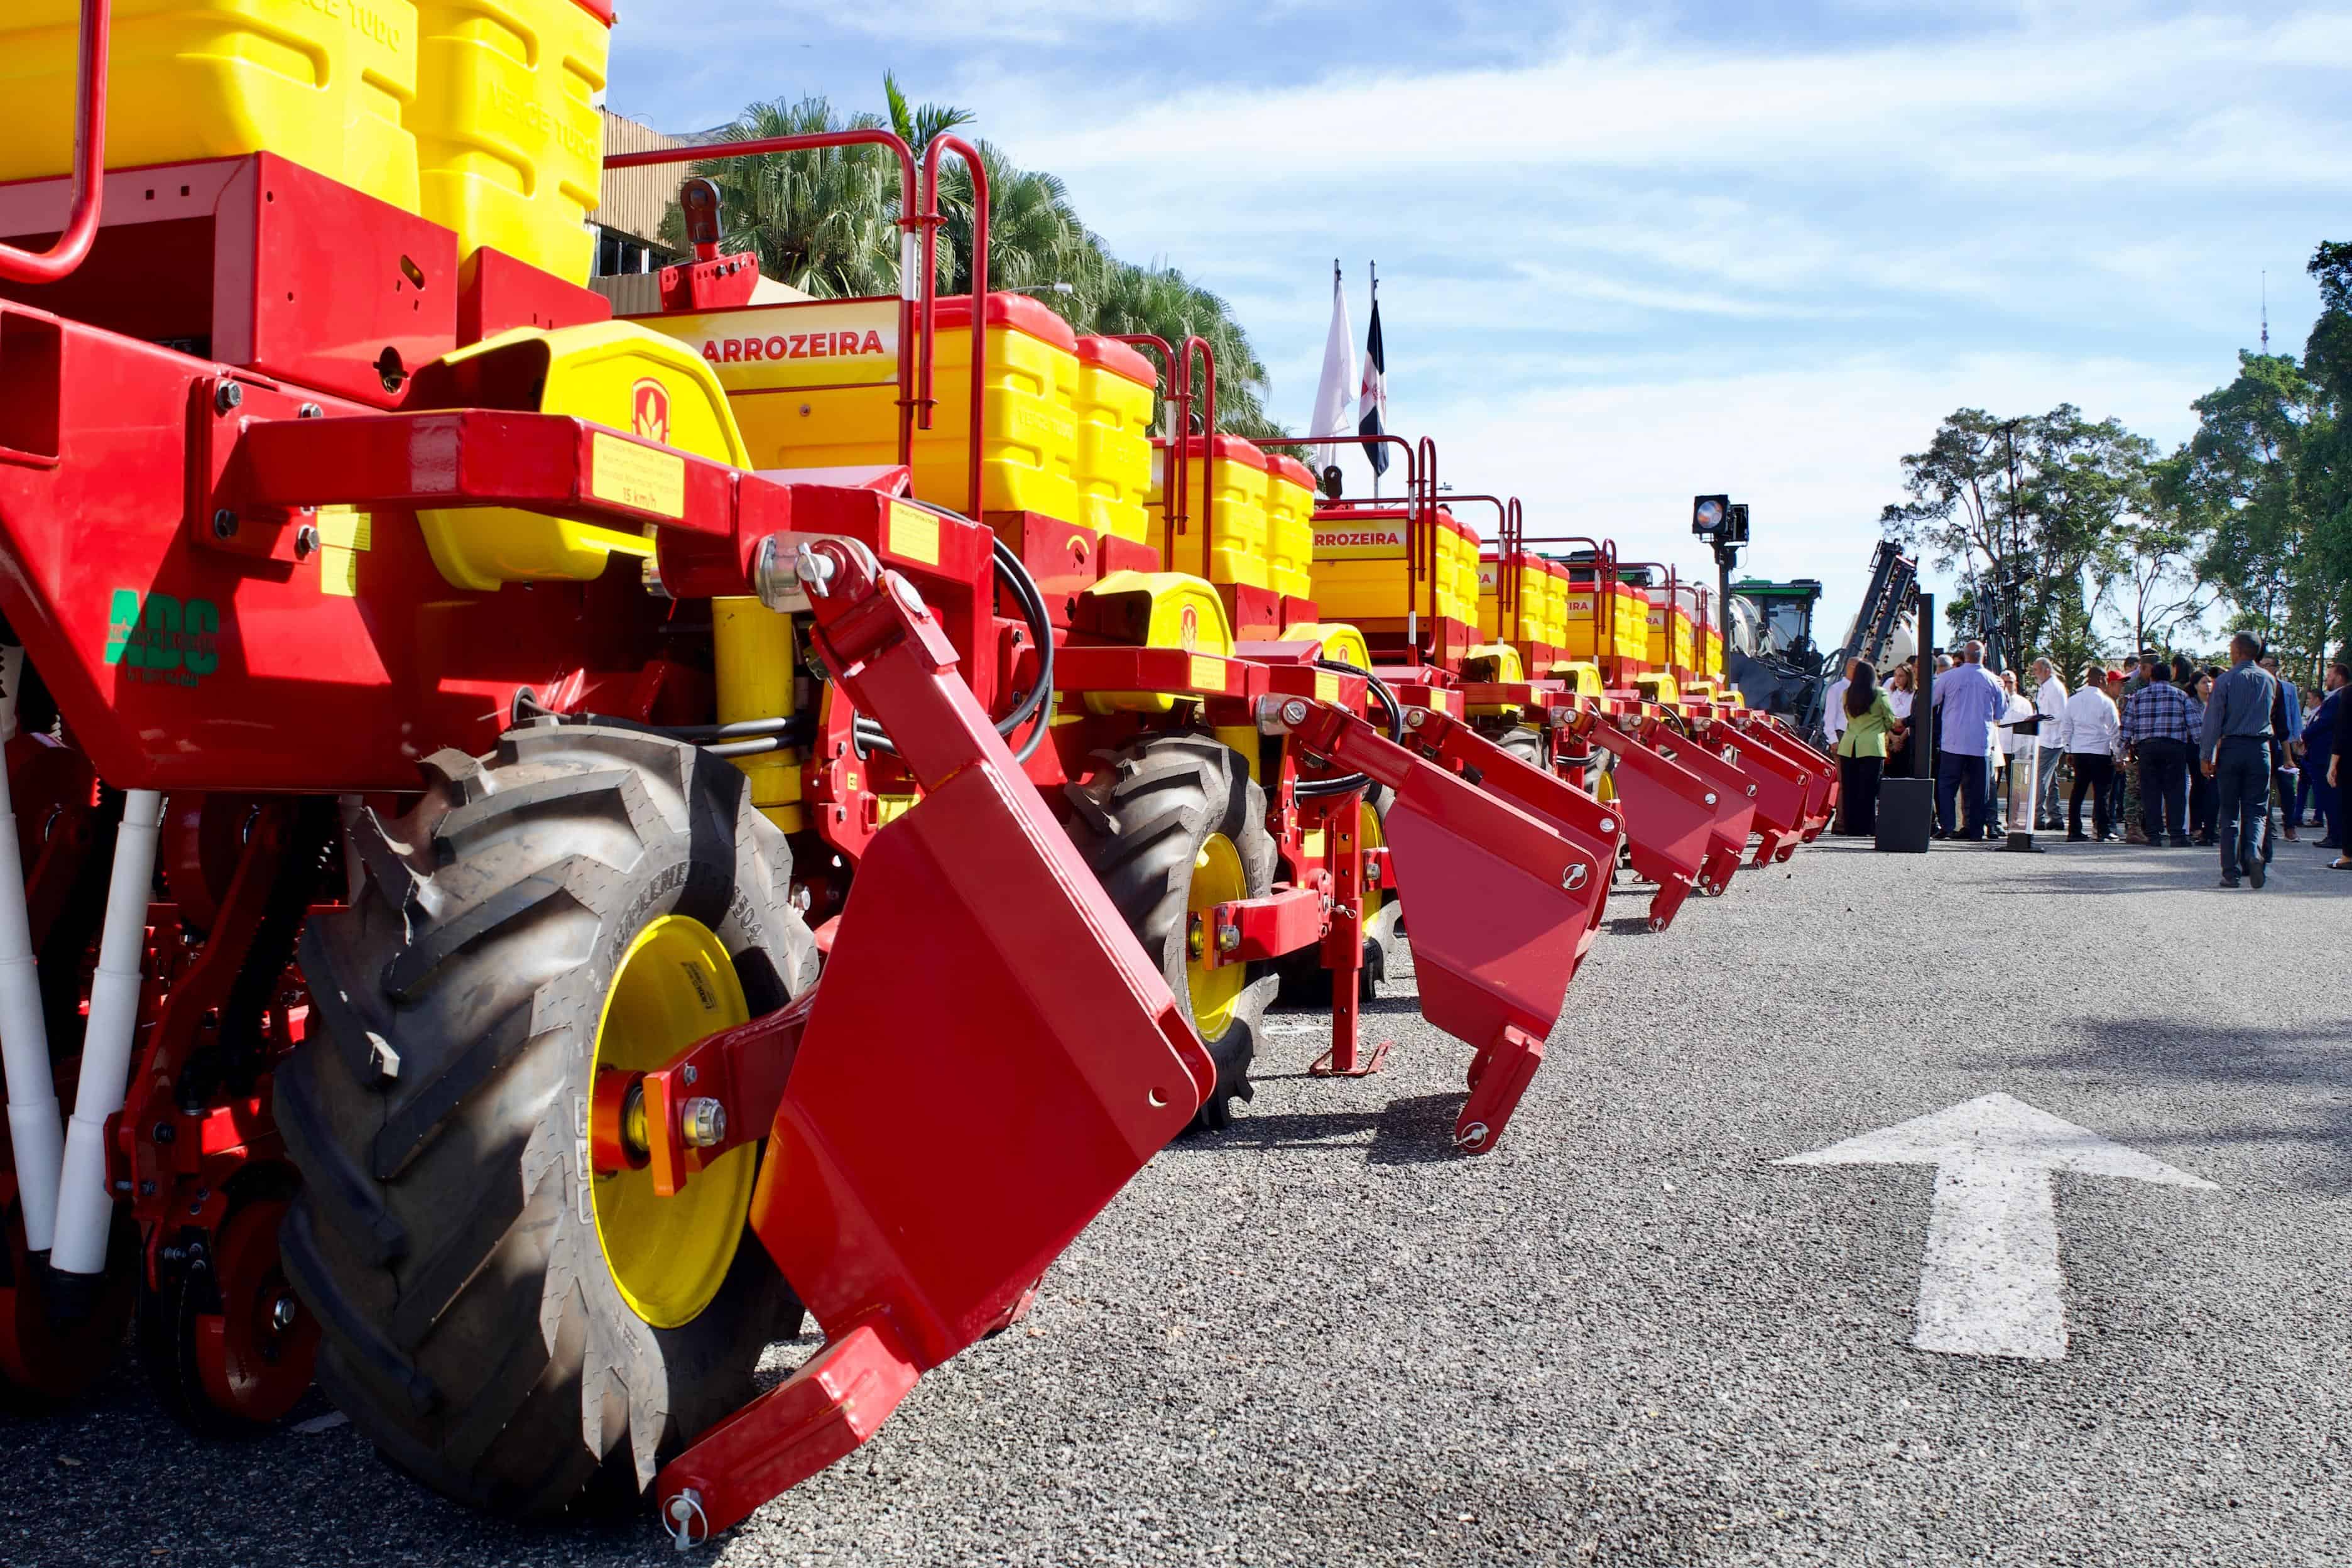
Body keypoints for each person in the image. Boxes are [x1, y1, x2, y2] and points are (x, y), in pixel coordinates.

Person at [2201, 633, 2282, 888]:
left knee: (2229, 811)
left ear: (2237, 651)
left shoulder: (2225, 681)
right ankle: (2254, 854)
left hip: (2232, 748)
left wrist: (2206, 755)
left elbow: (2213, 721)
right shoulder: (2270, 680)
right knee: (2257, 810)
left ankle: (2230, 872)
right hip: (2260, 749)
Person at [1930, 641, 2007, 841]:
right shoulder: (1993, 681)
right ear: (1983, 656)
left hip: (1953, 740)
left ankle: (1947, 826)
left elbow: (1932, 700)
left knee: (1947, 785)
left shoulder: (1949, 677)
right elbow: (2000, 712)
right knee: (1978, 789)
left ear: (1964, 655)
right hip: (1980, 742)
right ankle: (1975, 829)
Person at [2119, 662, 2196, 846]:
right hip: (2174, 748)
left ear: (2151, 676)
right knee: (2175, 791)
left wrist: (2120, 753)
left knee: (2150, 792)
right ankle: (2177, 835)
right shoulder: (2181, 696)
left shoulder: (2137, 697)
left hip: (2147, 749)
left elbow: (2126, 727)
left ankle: (2153, 835)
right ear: (2170, 677)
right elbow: (2195, 726)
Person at [1834, 662, 1902, 836]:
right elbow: (1889, 718)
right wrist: (1883, 729)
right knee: (1868, 789)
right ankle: (1866, 827)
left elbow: (1848, 715)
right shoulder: (1880, 694)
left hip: (1849, 744)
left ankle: (1850, 826)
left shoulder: (1847, 693)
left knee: (1850, 788)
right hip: (1872, 745)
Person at [2060, 662, 2121, 842]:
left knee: (2078, 791)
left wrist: (2068, 750)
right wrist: (2118, 754)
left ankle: (2074, 830)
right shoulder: (2106, 702)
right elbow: (2114, 730)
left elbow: (2067, 727)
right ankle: (2102, 830)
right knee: (2102, 793)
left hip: (2080, 751)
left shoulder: (2074, 700)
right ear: (2101, 680)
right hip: (2100, 751)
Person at [2260, 655, 2302, 841]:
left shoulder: (2288, 688)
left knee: (2287, 788)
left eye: (2271, 665)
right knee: (2264, 787)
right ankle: (2267, 826)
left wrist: (2296, 743)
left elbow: (2294, 715)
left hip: (2283, 744)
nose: (2268, 668)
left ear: (2277, 668)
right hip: (2264, 743)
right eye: (2264, 665)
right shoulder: (2259, 685)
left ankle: (2290, 825)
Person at [2306, 662, 2345, 852]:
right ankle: (2335, 834)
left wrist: (2303, 736)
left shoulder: (2339, 698)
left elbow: (2325, 723)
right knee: (2328, 797)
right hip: (2323, 754)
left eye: (2330, 675)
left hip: (2327, 755)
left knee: (2329, 797)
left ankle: (2335, 835)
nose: (2327, 678)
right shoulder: (2336, 698)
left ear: (2339, 677)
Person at [1993, 670, 2035, 834]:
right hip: (1999, 748)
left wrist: (2027, 751)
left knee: (2015, 788)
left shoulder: (2024, 703)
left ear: (2015, 683)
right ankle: (1993, 821)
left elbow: (2030, 726)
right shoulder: (1996, 700)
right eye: (2004, 682)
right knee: (1993, 787)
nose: (2007, 685)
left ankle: (2014, 821)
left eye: (2010, 682)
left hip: (2017, 750)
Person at [2032, 658, 2069, 829]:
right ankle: (2056, 816)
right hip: (2045, 737)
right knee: (2050, 780)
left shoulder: (2055, 688)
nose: (2034, 674)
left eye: (2036, 670)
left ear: (2047, 670)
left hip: (2053, 740)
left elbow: (2061, 715)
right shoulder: (2045, 687)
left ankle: (2037, 816)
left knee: (2040, 778)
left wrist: (2042, 719)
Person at [2186, 666, 2218, 846]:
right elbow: (2197, 731)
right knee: (2199, 785)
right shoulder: (2191, 703)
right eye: (2204, 682)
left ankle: (2211, 826)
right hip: (2196, 748)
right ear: (2196, 686)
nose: (2208, 685)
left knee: (2213, 788)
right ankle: (2196, 825)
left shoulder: (2216, 703)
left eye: (2210, 682)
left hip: (2216, 748)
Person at [1884, 662, 1917, 777]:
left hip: (1906, 737)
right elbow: (1884, 716)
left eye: (1901, 676)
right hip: (1890, 735)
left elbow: (1914, 719)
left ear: (1908, 677)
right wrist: (1893, 738)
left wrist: (1900, 740)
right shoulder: (1890, 693)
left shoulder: (1914, 694)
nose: (1897, 679)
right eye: (1896, 675)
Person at [1822, 659, 1856, 749]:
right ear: (1851, 668)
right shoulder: (1837, 689)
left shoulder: (1860, 691)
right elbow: (1829, 717)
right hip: (1840, 735)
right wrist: (1833, 741)